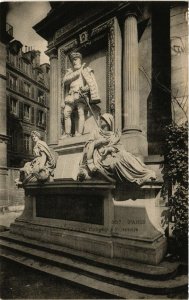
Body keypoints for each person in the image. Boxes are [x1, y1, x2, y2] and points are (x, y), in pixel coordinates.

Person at [77, 113, 156, 185]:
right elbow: (88, 145)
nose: (100, 121)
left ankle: (145, 173)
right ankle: (139, 176)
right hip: (100, 159)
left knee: (127, 155)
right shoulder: (96, 132)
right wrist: (99, 141)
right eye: (101, 119)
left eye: (103, 119)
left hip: (112, 155)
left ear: (108, 122)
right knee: (117, 162)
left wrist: (111, 149)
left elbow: (119, 148)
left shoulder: (113, 135)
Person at [61, 52, 100, 137]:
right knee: (66, 113)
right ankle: (67, 133)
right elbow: (65, 83)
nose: (74, 62)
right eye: (72, 61)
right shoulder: (69, 73)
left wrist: (85, 88)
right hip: (71, 95)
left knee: (80, 113)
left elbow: (90, 84)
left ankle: (79, 133)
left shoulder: (86, 70)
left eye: (75, 60)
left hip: (80, 95)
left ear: (80, 60)